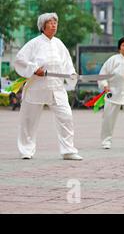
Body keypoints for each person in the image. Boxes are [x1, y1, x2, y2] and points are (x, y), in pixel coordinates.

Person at [14, 13, 82, 160]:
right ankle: (26, 150)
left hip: (56, 88)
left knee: (66, 117)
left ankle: (68, 150)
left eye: (55, 23)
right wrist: (33, 69)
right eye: (50, 23)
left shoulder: (59, 44)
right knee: (28, 120)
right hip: (36, 88)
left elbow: (67, 64)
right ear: (42, 26)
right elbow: (20, 59)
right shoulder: (34, 43)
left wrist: (71, 74)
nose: (53, 25)